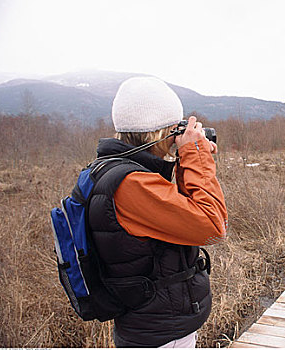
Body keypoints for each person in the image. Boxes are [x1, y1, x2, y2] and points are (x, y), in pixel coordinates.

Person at [87, 76, 228, 347]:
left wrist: (189, 157)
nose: (177, 137)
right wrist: (196, 155)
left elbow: (183, 212)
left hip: (153, 325)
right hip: (161, 335)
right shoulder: (131, 184)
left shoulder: (116, 172)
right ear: (158, 131)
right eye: (174, 130)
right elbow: (212, 226)